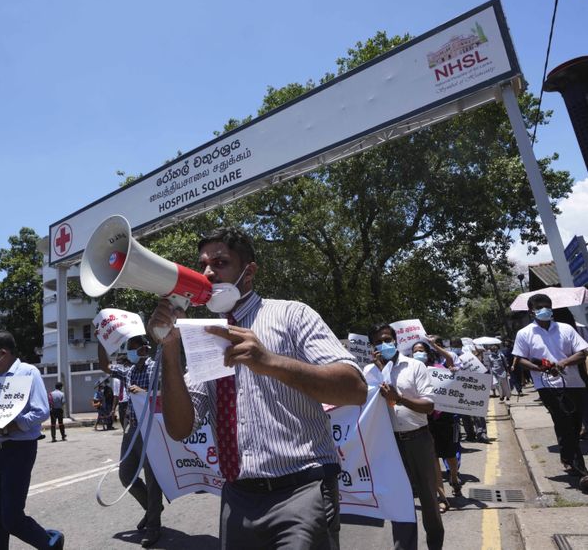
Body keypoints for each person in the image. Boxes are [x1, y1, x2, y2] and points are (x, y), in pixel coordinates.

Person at [149, 226, 367, 550]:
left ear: (248, 271)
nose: (208, 272)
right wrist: (169, 349)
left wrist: (269, 362)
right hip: (237, 497)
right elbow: (180, 428)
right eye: (204, 265)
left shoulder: (291, 314)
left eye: (220, 263)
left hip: (301, 490)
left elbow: (354, 388)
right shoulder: (202, 334)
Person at [0, 331, 64, 550]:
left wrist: (8, 427)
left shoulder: (28, 372)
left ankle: (50, 542)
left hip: (18, 450)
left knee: (11, 517)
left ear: (3, 352)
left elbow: (41, 411)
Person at [368, 324, 443, 550]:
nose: (385, 344)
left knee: (429, 501)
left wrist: (399, 398)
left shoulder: (415, 367)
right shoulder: (369, 373)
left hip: (419, 440)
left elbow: (429, 406)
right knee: (399, 503)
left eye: (388, 339)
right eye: (379, 341)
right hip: (390, 445)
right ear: (374, 347)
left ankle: (435, 545)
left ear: (396, 340)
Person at [512, 293, 588, 480]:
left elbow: (582, 353)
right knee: (565, 421)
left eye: (547, 306)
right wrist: (540, 368)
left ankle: (567, 457)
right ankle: (582, 470)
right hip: (547, 386)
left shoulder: (566, 329)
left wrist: (563, 363)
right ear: (532, 311)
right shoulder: (524, 333)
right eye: (539, 307)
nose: (544, 310)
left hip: (574, 383)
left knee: (575, 422)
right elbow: (520, 359)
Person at [98, 335, 164, 548]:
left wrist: (146, 393)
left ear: (145, 348)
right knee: (126, 475)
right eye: (129, 348)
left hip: (152, 430)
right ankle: (152, 507)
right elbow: (104, 365)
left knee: (152, 479)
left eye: (134, 348)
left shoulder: (156, 368)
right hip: (133, 428)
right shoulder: (129, 371)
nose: (130, 352)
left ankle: (154, 526)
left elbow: (169, 393)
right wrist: (102, 339)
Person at [412, 341, 462, 505]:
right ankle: (441, 497)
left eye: (421, 350)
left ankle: (454, 477)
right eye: (415, 351)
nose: (418, 353)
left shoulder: (439, 368)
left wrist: (434, 345)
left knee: (449, 455)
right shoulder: (410, 370)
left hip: (445, 417)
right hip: (426, 419)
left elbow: (450, 360)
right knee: (432, 457)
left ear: (428, 352)